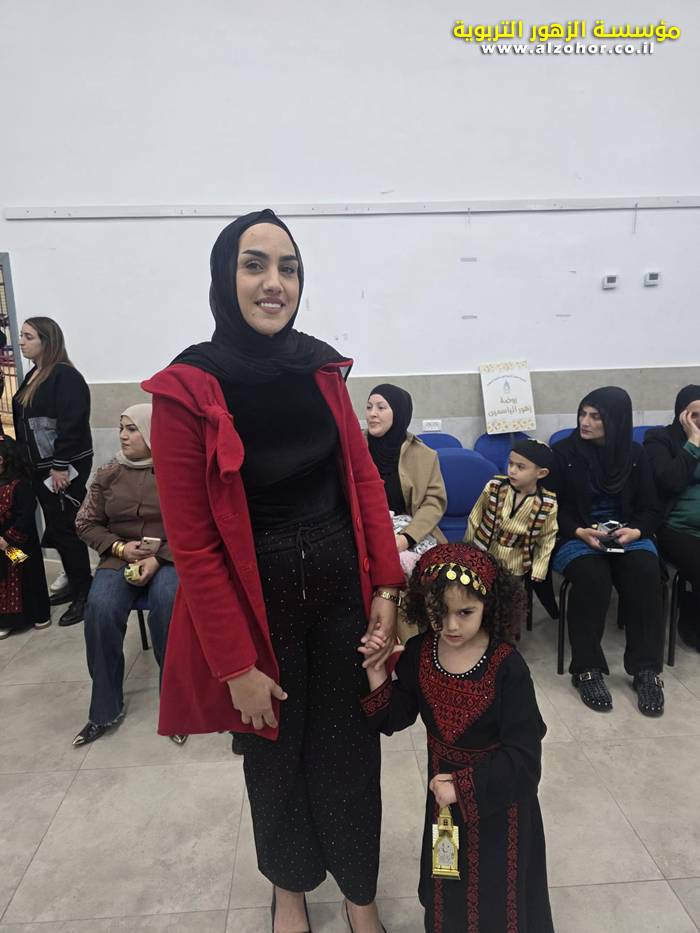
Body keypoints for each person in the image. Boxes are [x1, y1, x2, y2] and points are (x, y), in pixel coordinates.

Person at [143, 210, 404, 933]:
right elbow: (194, 546)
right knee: (275, 757)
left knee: (351, 751)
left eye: (288, 267)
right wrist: (235, 664)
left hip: (340, 592)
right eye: (254, 264)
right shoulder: (185, 388)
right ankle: (289, 894)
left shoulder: (320, 368)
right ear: (224, 277)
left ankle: (359, 894)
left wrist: (388, 587)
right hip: (258, 610)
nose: (274, 283)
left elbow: (363, 480)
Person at [360, 542, 553, 933]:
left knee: (498, 897)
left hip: (502, 810)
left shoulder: (508, 668)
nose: (450, 625)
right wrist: (377, 671)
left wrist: (462, 787)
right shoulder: (420, 652)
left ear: (489, 606)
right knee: (447, 886)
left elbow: (525, 760)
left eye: (465, 612)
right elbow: (393, 717)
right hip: (444, 808)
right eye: (439, 612)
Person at [72, 404, 182, 746]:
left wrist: (159, 558)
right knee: (100, 609)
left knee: (168, 603)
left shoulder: (177, 472)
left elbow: (195, 525)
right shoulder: (108, 473)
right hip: (119, 557)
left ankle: (177, 708)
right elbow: (85, 523)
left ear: (151, 432)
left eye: (132, 429)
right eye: (121, 427)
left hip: (168, 558)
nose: (123, 435)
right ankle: (104, 710)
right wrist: (120, 548)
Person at [551, 387, 665, 715]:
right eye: (582, 414)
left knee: (646, 573)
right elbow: (553, 507)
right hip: (577, 533)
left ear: (616, 421)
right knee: (592, 577)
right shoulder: (564, 453)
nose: (585, 422)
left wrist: (636, 531)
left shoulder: (635, 454)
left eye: (595, 417)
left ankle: (646, 670)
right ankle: (587, 669)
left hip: (627, 533)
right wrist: (579, 531)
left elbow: (651, 508)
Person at [12, 317, 93, 626]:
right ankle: (74, 582)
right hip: (40, 468)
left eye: (28, 336)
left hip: (61, 468)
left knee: (67, 529)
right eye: (21, 335)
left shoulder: (64, 376)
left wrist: (60, 466)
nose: (21, 341)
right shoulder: (35, 374)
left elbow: (72, 424)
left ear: (47, 341)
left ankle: (85, 593)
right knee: (57, 530)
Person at [365, 383, 447, 568]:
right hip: (364, 531)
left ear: (399, 413)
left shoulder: (424, 455)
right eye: (369, 407)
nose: (372, 414)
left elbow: (433, 502)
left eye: (381, 407)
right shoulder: (355, 448)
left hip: (410, 532)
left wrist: (407, 538)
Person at [645, 385, 700, 647]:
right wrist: (693, 442)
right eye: (694, 415)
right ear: (681, 414)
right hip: (676, 528)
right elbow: (670, 482)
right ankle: (691, 618)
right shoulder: (659, 440)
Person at [0, 437, 51, 639]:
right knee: (3, 580)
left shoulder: (19, 485)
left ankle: (38, 614)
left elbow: (27, 514)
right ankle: (7, 621)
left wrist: (8, 540)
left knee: (27, 576)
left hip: (18, 545)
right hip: (0, 546)